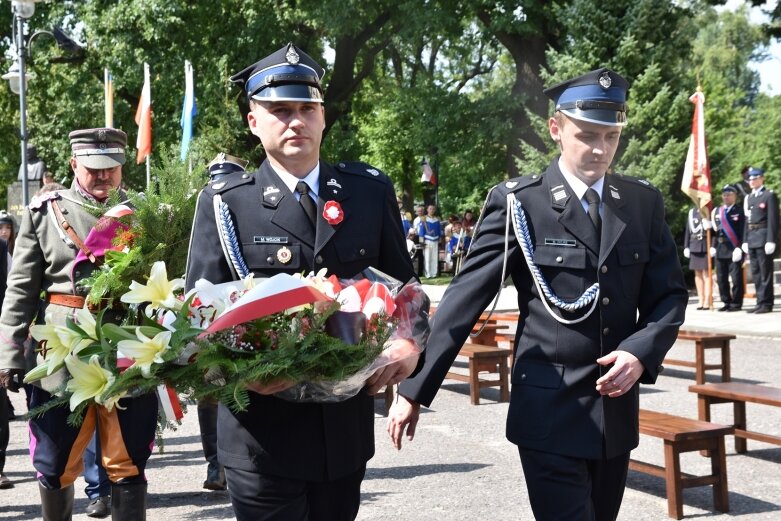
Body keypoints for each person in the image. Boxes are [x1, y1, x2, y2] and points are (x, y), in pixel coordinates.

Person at [388, 68, 688, 521]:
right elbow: (463, 301)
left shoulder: (641, 203)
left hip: (614, 415)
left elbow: (670, 297)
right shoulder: (520, 203)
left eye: (611, 136)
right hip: (548, 411)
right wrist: (414, 389)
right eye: (586, 135)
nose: (600, 149)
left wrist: (640, 353)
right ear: (556, 129)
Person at [184, 43, 428, 521]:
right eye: (279, 110)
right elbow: (198, 316)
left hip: (344, 432)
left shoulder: (368, 191)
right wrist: (241, 371)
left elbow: (407, 292)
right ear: (254, 122)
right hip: (260, 434)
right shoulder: (225, 202)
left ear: (322, 117)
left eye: (306, 108)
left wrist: (407, 347)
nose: (295, 121)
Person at [0, 128, 158, 521]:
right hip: (62, 350)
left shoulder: (143, 212)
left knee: (130, 459)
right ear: (74, 164)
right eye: (94, 169)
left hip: (128, 346)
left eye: (112, 168)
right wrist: (8, 354)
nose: (104, 176)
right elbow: (20, 290)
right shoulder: (46, 212)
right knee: (55, 461)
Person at [741, 167, 778, 314]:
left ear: (762, 178)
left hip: (763, 238)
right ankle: (759, 301)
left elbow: (773, 219)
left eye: (754, 178)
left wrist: (771, 239)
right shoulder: (749, 198)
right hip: (752, 238)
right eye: (749, 179)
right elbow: (746, 221)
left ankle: (767, 303)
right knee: (756, 272)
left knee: (765, 273)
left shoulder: (769, 195)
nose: (751, 181)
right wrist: (744, 240)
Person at [710, 184, 745, 312]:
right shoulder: (718, 212)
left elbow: (742, 231)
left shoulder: (739, 211)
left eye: (729, 194)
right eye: (724, 195)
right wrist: (713, 247)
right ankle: (726, 301)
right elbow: (715, 232)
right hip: (720, 248)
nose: (726, 197)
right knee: (721, 278)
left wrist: (739, 247)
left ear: (734, 196)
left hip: (733, 248)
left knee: (736, 278)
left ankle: (736, 303)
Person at [683, 206, 712, 309]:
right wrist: (686, 246)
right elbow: (688, 230)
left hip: (705, 245)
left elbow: (714, 232)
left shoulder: (709, 210)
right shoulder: (692, 212)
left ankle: (708, 301)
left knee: (706, 274)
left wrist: (710, 226)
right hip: (694, 245)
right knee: (697, 274)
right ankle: (701, 299)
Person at [417, 204, 442, 278]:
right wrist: (421, 241)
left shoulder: (437, 219)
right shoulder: (424, 218)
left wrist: (440, 240)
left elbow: (439, 230)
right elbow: (421, 231)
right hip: (427, 240)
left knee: (434, 257)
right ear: (427, 210)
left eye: (433, 209)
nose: (432, 210)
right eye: (430, 209)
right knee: (427, 258)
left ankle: (434, 273)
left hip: (435, 240)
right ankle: (428, 274)